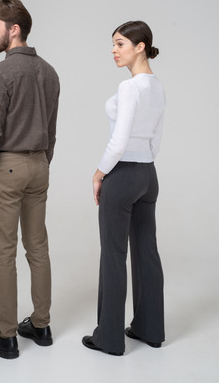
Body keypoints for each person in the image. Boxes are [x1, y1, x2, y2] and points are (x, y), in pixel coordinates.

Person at [0, 0, 60, 359]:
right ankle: (41, 326)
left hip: (7, 168)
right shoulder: (50, 71)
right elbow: (52, 129)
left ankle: (6, 336)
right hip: (40, 165)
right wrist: (42, 162)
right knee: (37, 248)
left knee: (4, 253)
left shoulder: (1, 73)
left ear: (14, 29)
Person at [82, 21, 166, 356]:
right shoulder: (157, 86)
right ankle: (150, 329)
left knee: (114, 255)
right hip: (148, 173)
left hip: (123, 174)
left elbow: (118, 141)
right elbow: (156, 138)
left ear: (140, 46)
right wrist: (143, 162)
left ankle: (110, 338)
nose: (114, 51)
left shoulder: (130, 87)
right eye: (113, 45)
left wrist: (100, 173)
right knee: (147, 251)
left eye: (120, 44)